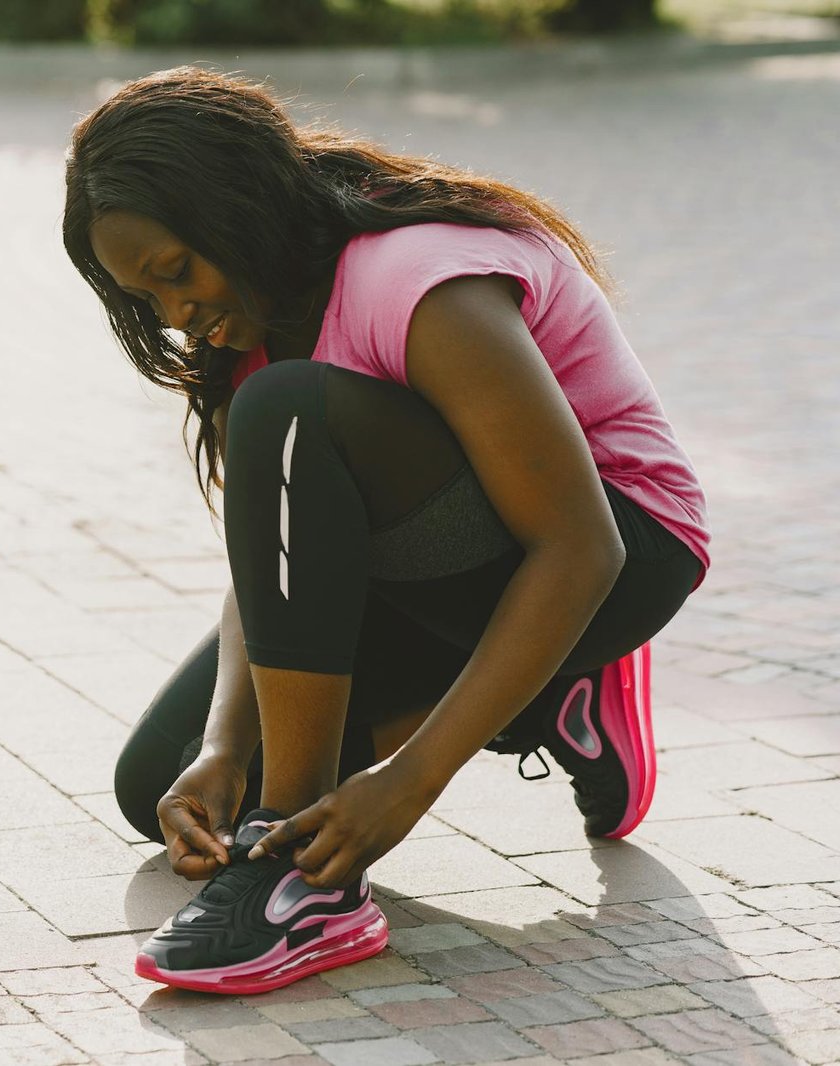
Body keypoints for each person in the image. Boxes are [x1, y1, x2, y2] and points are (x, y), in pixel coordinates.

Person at [61, 67, 709, 996]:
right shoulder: (257, 320)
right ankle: (547, 701)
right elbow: (278, 554)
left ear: (234, 207)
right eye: (145, 298)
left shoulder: (418, 282)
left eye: (176, 273)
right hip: (437, 563)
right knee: (160, 788)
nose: (176, 315)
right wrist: (222, 752)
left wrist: (408, 781)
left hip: (612, 553)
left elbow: (581, 545)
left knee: (292, 409)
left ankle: (310, 896)